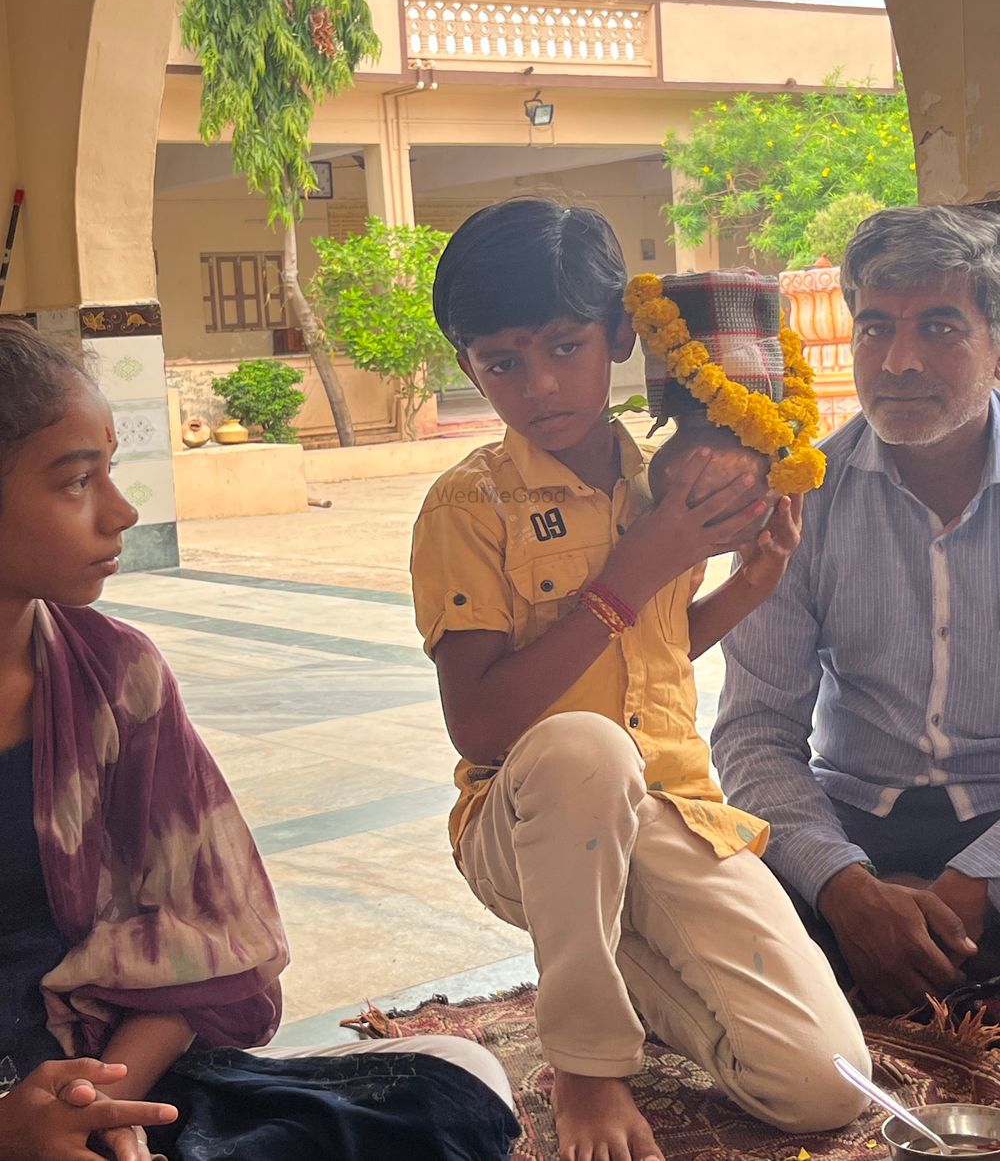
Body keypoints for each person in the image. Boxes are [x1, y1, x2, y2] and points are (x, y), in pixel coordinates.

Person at [410, 197, 870, 1161]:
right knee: (585, 747)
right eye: (503, 362)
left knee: (824, 1085)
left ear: (620, 335)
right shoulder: (471, 504)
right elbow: (482, 724)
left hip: (670, 806)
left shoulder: (665, 479)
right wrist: (631, 570)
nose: (539, 384)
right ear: (469, 365)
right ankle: (586, 1060)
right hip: (525, 816)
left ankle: (616, 965)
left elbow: (650, 655)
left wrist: (754, 584)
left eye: (565, 346)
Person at [0, 321, 518, 1161]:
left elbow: (214, 935)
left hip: (97, 1085)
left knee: (455, 1083)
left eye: (112, 471)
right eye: (76, 482)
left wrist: (100, 1104)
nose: (123, 511)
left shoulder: (113, 674)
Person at [713, 202, 1000, 1018]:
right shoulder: (799, 499)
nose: (899, 361)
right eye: (875, 328)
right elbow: (755, 732)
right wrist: (844, 884)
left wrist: (976, 879)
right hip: (846, 823)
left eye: (940, 327)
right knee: (702, 904)